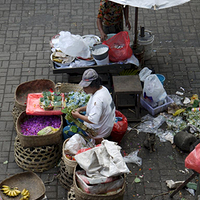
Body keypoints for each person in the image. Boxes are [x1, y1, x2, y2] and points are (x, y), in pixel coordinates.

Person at [71, 68, 116, 144]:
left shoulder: (97, 99)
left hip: (98, 132)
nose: (83, 89)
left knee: (67, 129)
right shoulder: (103, 89)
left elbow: (93, 120)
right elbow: (91, 106)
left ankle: (88, 139)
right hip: (106, 125)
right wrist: (79, 109)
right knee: (73, 120)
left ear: (93, 85)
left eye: (86, 86)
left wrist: (78, 116)